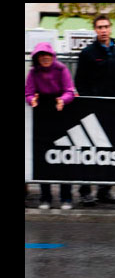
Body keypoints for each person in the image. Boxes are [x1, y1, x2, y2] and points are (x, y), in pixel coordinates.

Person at [75, 14, 115, 206]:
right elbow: (80, 81)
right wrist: (90, 100)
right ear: (95, 30)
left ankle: (104, 190)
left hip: (113, 109)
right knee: (90, 150)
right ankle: (85, 191)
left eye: (106, 26)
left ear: (111, 28)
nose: (103, 30)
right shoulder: (87, 53)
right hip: (93, 109)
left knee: (110, 151)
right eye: (99, 27)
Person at [25, 42, 76, 210]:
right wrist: (31, 100)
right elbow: (28, 92)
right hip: (42, 117)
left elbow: (70, 90)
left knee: (64, 156)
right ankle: (45, 197)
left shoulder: (61, 69)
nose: (45, 58)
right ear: (37, 58)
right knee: (43, 158)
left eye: (47, 55)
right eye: (41, 55)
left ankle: (66, 198)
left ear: (52, 55)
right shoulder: (33, 72)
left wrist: (63, 100)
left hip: (61, 115)